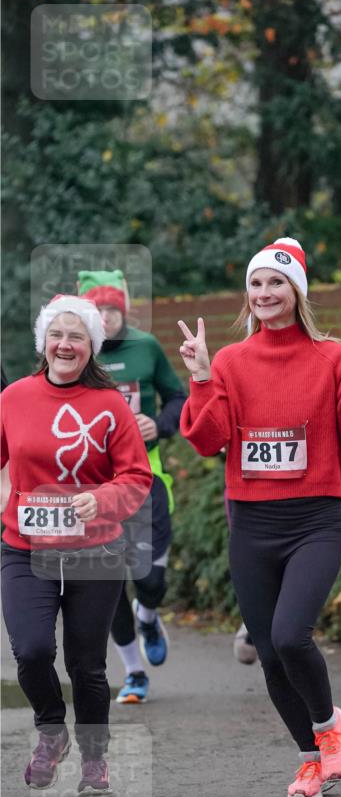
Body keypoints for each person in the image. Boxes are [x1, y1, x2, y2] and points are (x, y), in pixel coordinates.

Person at [178, 237, 341, 797]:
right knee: (270, 656)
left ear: (296, 291)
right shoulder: (230, 361)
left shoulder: (331, 357)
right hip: (252, 527)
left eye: (276, 282)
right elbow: (207, 441)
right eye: (256, 284)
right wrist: (202, 376)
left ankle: (330, 733)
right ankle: (310, 761)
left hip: (314, 522)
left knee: (288, 635)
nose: (264, 293)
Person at [0, 295, 152, 792]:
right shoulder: (14, 398)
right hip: (25, 547)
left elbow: (136, 476)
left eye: (77, 336)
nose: (65, 344)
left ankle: (93, 758)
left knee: (86, 665)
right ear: (43, 342)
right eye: (57, 335)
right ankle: (51, 732)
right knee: (32, 650)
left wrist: (103, 499)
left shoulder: (109, 406)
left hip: (95, 550)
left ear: (92, 347)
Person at [78, 270, 186, 704]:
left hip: (146, 478)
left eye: (112, 309)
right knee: (108, 583)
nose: (106, 318)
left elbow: (179, 398)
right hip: (90, 486)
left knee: (150, 580)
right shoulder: (73, 352)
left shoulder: (146, 347)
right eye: (97, 310)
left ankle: (149, 614)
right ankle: (134, 673)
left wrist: (157, 424)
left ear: (122, 309)